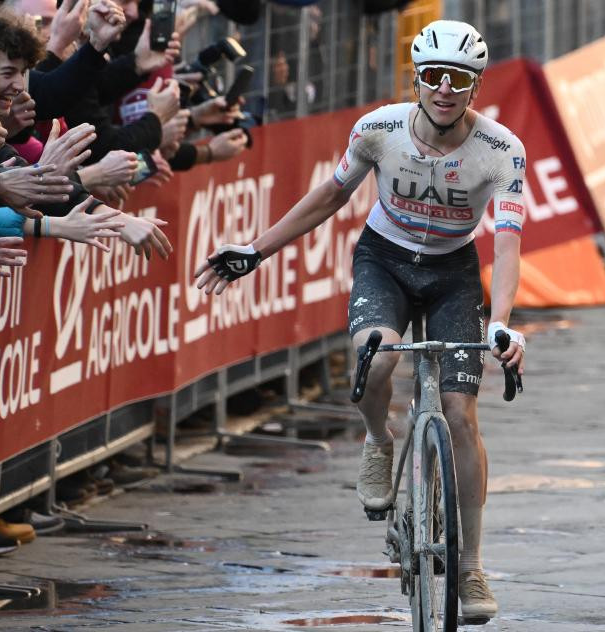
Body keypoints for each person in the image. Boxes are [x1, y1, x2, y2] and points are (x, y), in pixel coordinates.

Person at [193, 20, 527, 621]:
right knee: (378, 352)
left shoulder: (501, 150)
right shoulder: (378, 130)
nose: (445, 90)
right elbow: (329, 196)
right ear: (417, 80)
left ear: (475, 86)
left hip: (453, 271)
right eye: (433, 77)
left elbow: (506, 242)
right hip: (385, 260)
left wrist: (500, 322)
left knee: (460, 414)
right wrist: (256, 250)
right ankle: (379, 439)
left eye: (459, 79)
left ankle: (471, 568)